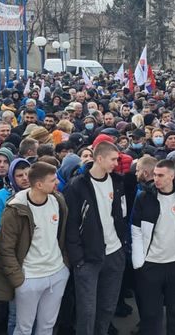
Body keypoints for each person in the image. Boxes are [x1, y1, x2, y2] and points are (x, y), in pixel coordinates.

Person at [0, 161, 70, 334]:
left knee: (47, 326)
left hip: (57, 273)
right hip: (29, 277)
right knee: (24, 328)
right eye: (53, 180)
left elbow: (62, 235)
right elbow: (5, 248)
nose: (57, 183)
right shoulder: (15, 209)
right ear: (39, 184)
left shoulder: (58, 200)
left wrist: (65, 267)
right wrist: (19, 280)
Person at [64, 141, 128, 335]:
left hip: (114, 253)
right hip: (88, 257)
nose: (116, 164)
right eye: (113, 159)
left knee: (107, 307)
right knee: (87, 310)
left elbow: (121, 215)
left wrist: (122, 247)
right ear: (99, 159)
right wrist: (78, 259)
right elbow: (71, 226)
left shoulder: (117, 182)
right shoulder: (77, 185)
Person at [131, 158, 175, 335]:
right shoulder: (144, 197)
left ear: (171, 176)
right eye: (154, 175)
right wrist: (139, 261)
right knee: (150, 313)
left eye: (160, 175)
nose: (156, 179)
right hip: (151, 264)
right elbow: (136, 230)